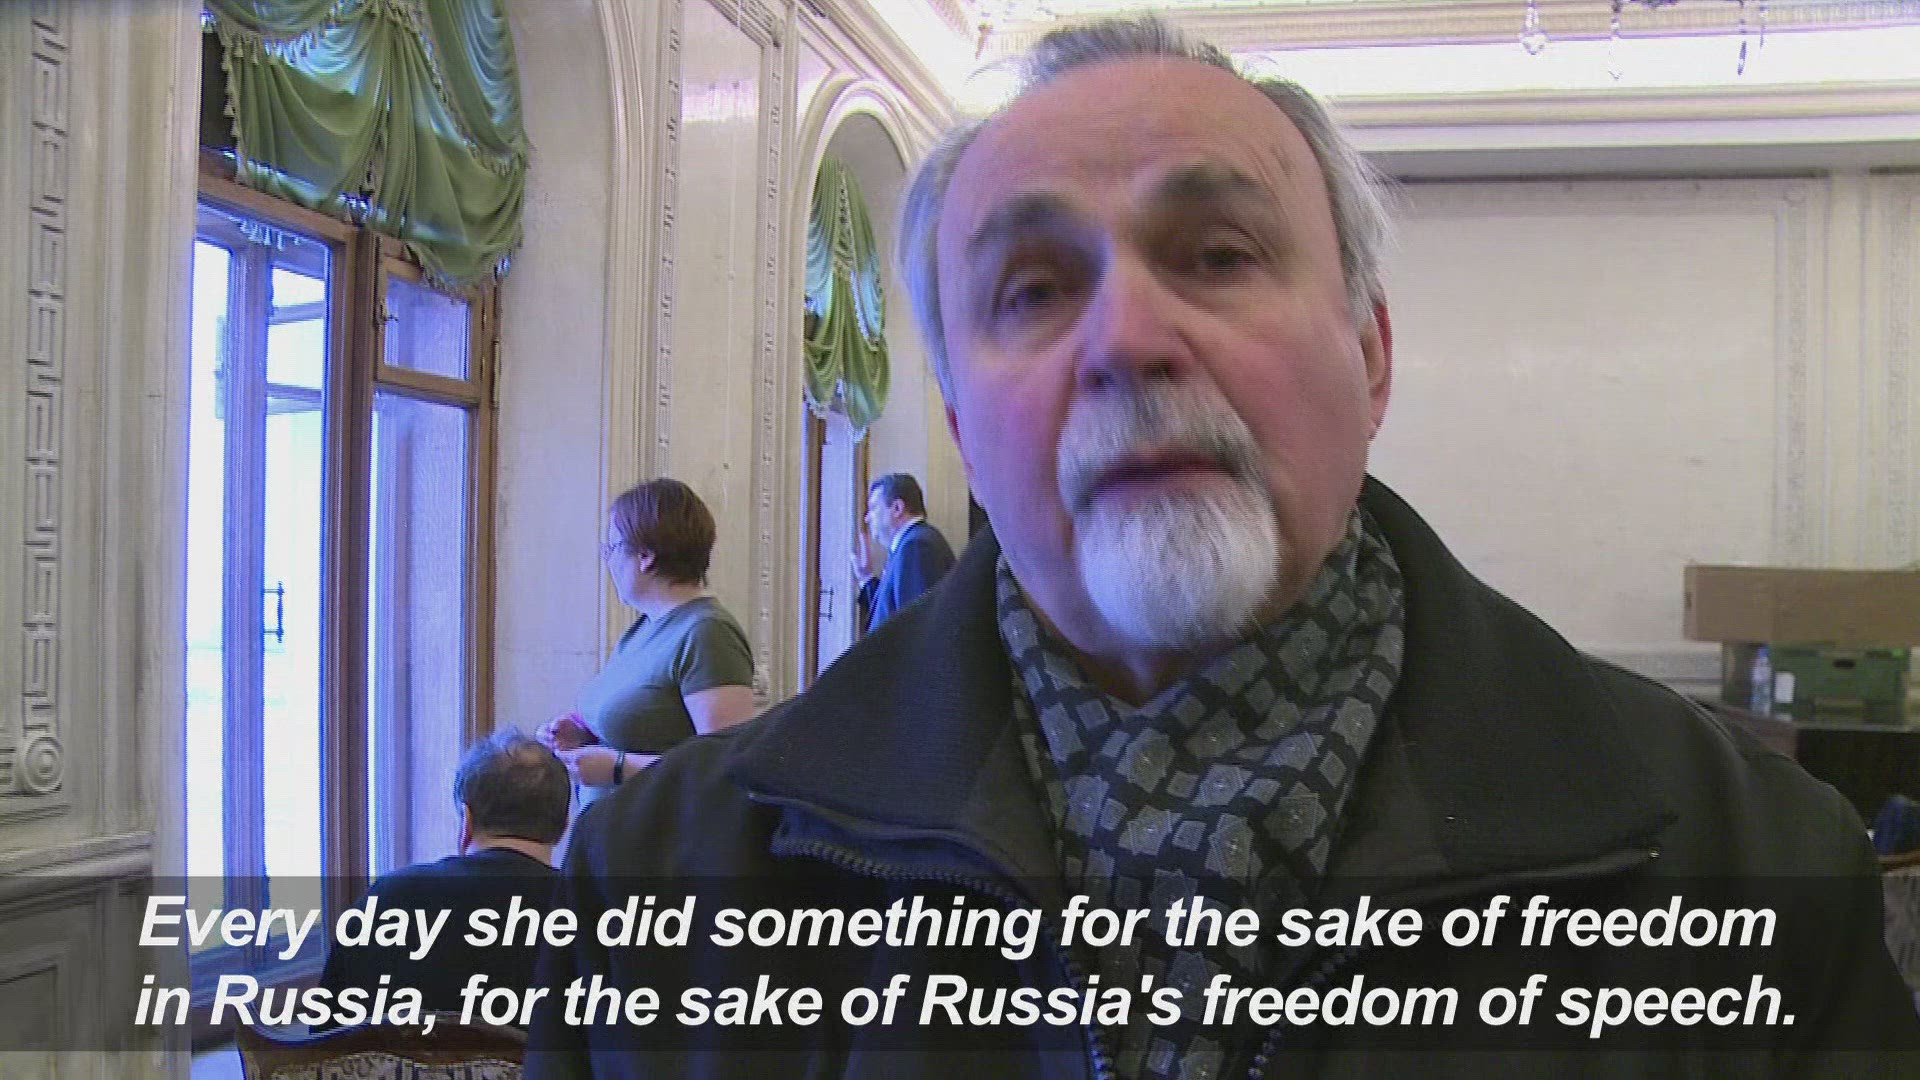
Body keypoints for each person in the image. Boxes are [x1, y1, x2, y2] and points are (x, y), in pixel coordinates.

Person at [531, 17, 1918, 1078]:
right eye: (1033, 288)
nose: (1128, 339)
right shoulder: (654, 885)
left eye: (1218, 256)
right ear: (960, 424)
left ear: (1370, 358)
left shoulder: (1755, 858)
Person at [319, 729, 567, 1013]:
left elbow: (330, 1027)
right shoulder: (587, 910)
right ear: (564, 825)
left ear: (467, 821)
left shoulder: (388, 898)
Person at [540, 478, 756, 802]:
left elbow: (724, 770)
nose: (608, 562)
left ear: (645, 556)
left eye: (612, 548)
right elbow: (645, 727)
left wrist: (618, 768)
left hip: (664, 833)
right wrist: (584, 735)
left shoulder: (709, 633)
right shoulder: (644, 628)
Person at [853, 471, 956, 632]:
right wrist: (866, 578)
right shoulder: (910, 544)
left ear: (897, 508)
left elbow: (916, 628)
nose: (867, 518)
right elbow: (894, 615)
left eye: (873, 508)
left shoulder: (916, 546)